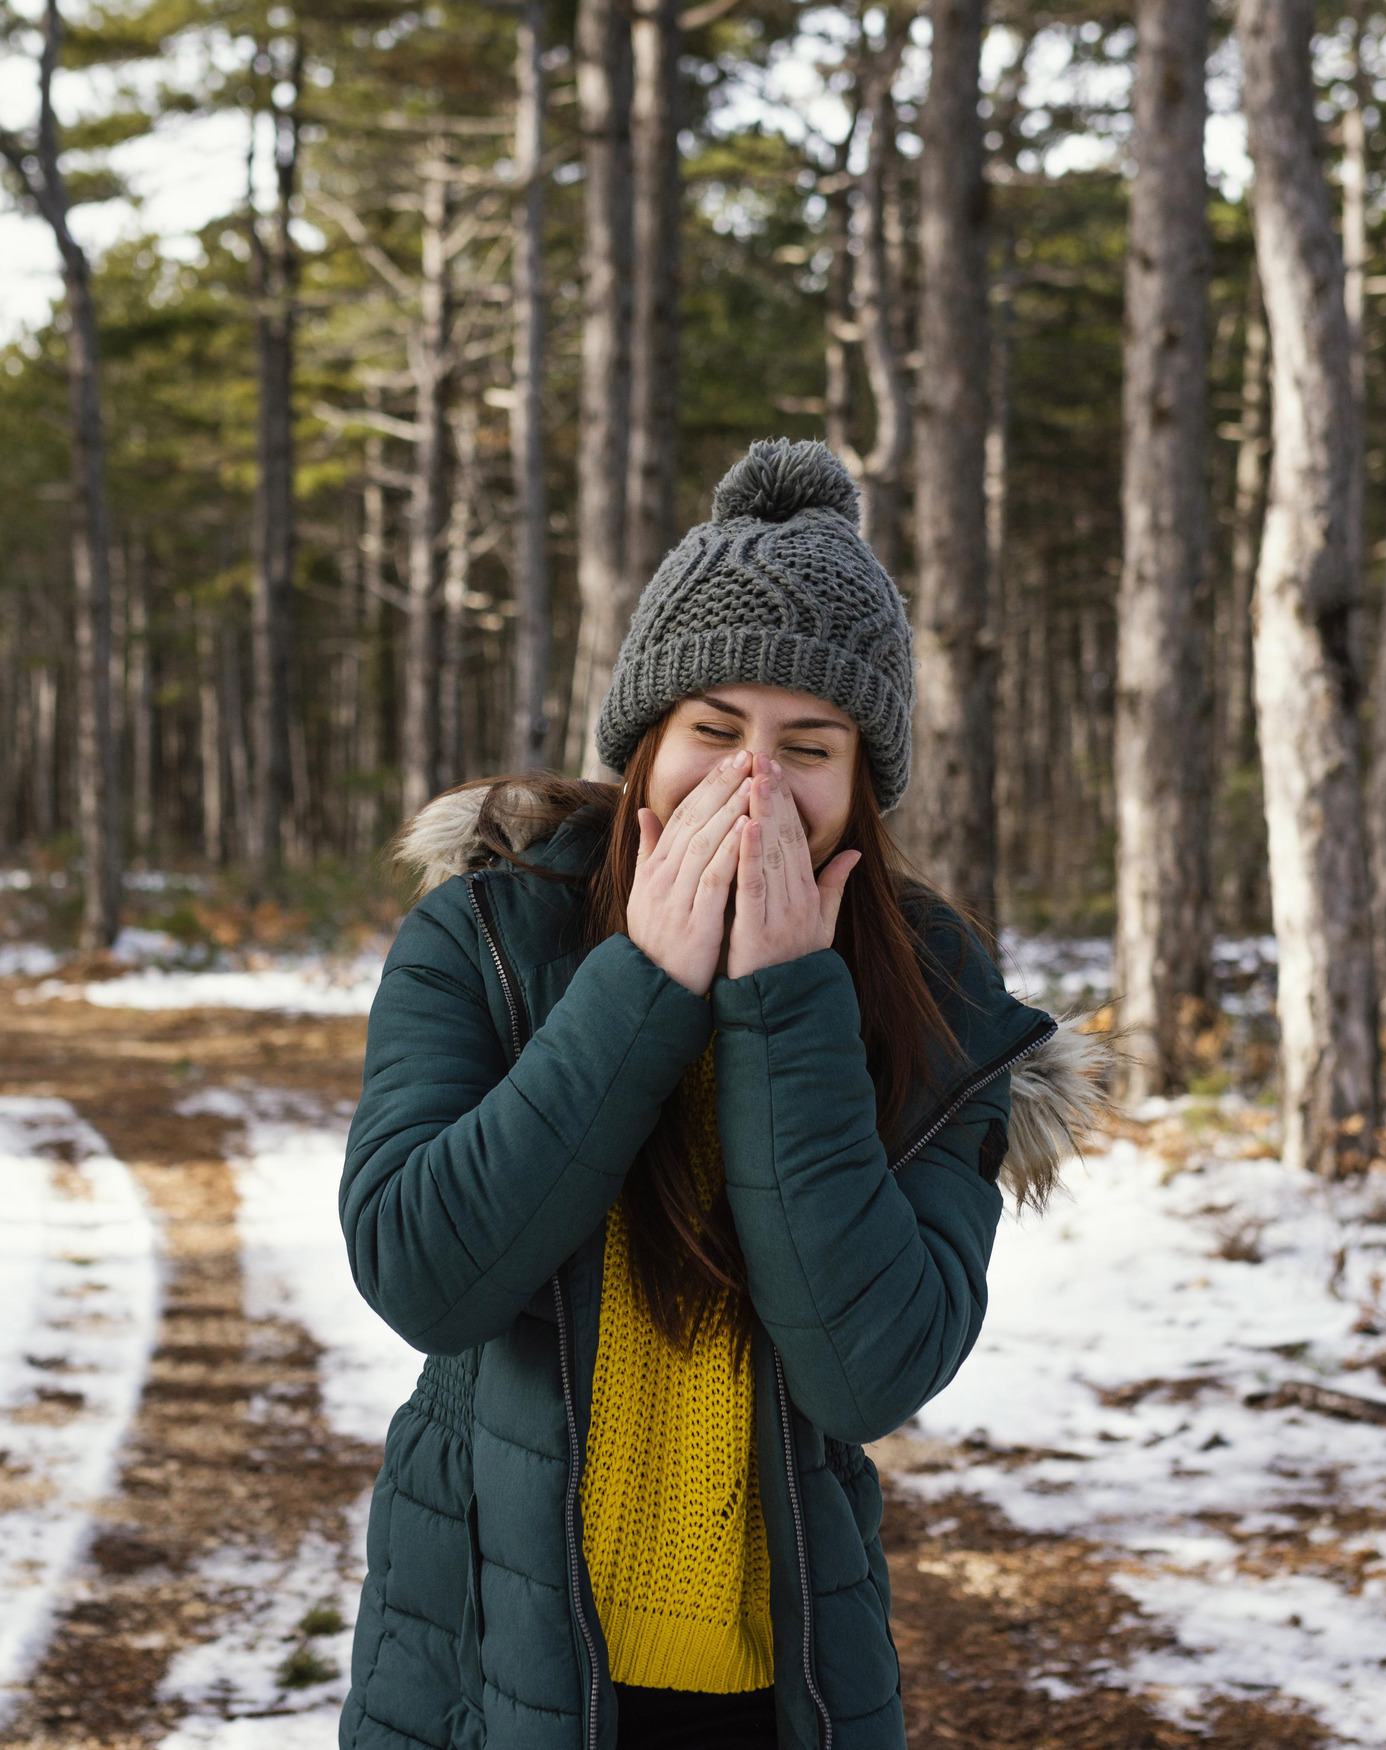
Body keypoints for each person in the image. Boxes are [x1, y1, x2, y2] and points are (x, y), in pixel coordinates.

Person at [338, 439, 1104, 1750]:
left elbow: (874, 1369)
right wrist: (641, 984)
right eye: (713, 731)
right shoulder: (484, 936)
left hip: (782, 1693)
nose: (754, 784)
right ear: (646, 744)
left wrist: (783, 1002)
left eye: (809, 743)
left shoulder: (945, 1004)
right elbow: (423, 1271)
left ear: (862, 779)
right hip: (482, 1665)